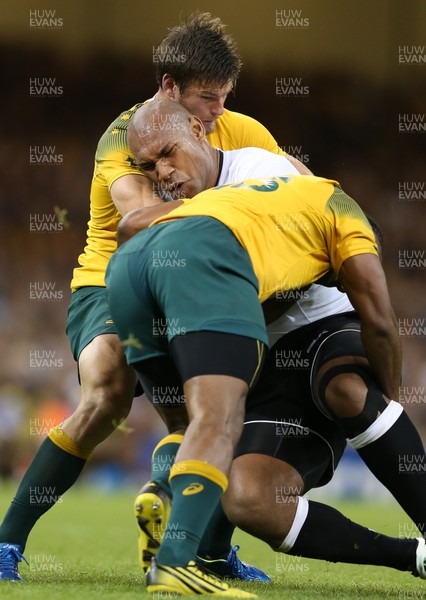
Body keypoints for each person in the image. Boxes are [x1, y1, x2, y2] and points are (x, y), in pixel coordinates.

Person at [0, 12, 297, 582]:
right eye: (207, 98)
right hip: (113, 282)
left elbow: (287, 197)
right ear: (169, 87)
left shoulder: (246, 131)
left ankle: (202, 545)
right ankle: (7, 542)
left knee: (220, 410)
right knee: (107, 393)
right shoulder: (124, 137)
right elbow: (137, 218)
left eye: (224, 98)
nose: (217, 112)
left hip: (198, 286)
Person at [115, 100, 426, 592]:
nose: (164, 174)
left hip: (321, 325)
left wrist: (392, 403)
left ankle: (179, 537)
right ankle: (415, 556)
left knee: (346, 387)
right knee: (249, 497)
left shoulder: (264, 169)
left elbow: (368, 314)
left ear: (199, 130)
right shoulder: (203, 207)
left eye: (169, 155)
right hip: (263, 352)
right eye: (149, 168)